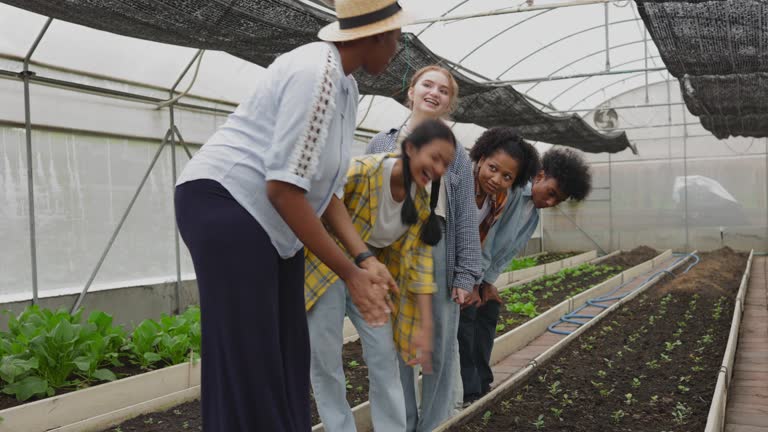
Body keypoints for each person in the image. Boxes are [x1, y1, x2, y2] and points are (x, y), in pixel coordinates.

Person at [173, 1, 414, 430]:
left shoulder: (346, 86)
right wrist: (349, 275)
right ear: (375, 34)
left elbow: (326, 195)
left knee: (287, 353)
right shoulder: (314, 74)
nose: (397, 48)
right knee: (253, 357)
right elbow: (284, 189)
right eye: (396, 37)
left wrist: (364, 259)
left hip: (271, 222)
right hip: (227, 206)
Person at [306, 120, 456, 432]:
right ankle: (339, 427)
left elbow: (419, 266)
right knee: (326, 359)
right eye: (435, 157)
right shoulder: (362, 171)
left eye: (446, 164)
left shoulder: (419, 204)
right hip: (325, 267)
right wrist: (356, 260)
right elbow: (315, 205)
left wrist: (424, 325)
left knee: (384, 354)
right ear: (410, 148)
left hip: (370, 274)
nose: (439, 168)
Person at [366, 65, 483, 432]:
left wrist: (465, 273)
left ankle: (436, 423)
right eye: (427, 85)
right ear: (411, 92)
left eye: (443, 90)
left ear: (450, 102)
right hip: (391, 248)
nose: (434, 92)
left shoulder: (458, 154)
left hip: (437, 246)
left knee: (439, 345)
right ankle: (401, 423)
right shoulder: (381, 142)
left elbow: (465, 214)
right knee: (392, 344)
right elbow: (365, 205)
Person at [459, 137, 593, 404]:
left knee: (490, 309)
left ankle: (482, 383)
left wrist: (489, 283)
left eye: (559, 200)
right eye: (552, 192)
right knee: (467, 314)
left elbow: (507, 250)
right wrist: (474, 283)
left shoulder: (532, 211)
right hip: (465, 268)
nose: (551, 202)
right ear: (540, 176)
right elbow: (486, 237)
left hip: (481, 274)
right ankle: (467, 390)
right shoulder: (509, 194)